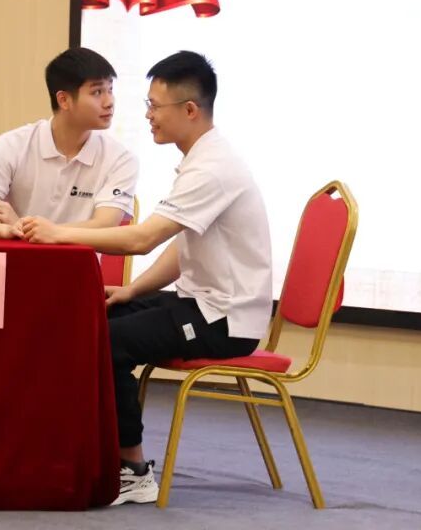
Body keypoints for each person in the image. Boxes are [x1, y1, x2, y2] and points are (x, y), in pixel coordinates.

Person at [21, 51, 272, 505]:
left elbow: (142, 239)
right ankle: (87, 447)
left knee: (109, 342)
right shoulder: (200, 159)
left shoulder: (213, 168)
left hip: (224, 321)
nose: (147, 115)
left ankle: (133, 470)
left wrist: (58, 233)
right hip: (198, 304)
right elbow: (181, 248)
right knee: (92, 318)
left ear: (189, 110)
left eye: (155, 106)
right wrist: (133, 290)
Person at [0, 47, 138, 240]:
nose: (109, 102)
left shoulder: (121, 159)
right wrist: (10, 230)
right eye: (97, 92)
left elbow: (104, 225)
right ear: (64, 100)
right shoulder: (13, 145)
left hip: (78, 260)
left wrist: (23, 225)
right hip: (16, 258)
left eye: (110, 90)